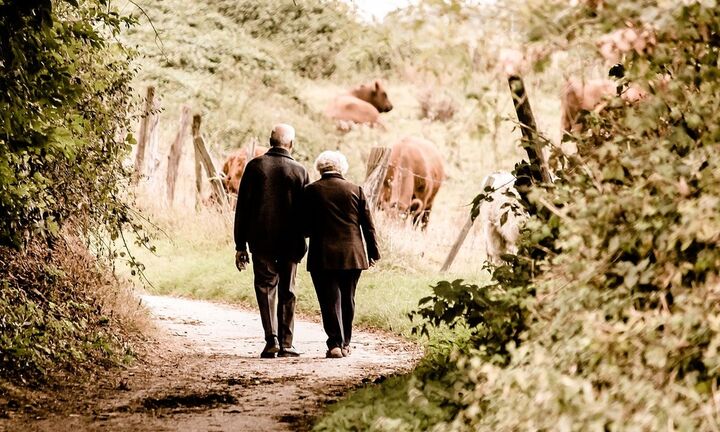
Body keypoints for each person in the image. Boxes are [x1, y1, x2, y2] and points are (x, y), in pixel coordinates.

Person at [234, 124, 309, 358]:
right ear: (292, 144)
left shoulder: (255, 167)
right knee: (288, 290)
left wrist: (240, 245)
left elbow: (242, 209)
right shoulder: (300, 171)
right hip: (291, 241)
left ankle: (271, 340)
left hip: (261, 240)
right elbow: (306, 212)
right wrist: (305, 236)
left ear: (270, 140)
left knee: (265, 288)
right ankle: (287, 343)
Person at [303, 151, 380, 358]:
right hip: (353, 254)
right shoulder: (356, 190)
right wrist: (373, 252)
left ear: (320, 168)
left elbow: (304, 228)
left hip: (322, 255)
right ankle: (346, 343)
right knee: (348, 298)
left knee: (329, 300)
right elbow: (368, 226)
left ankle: (334, 344)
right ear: (341, 168)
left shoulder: (310, 191)